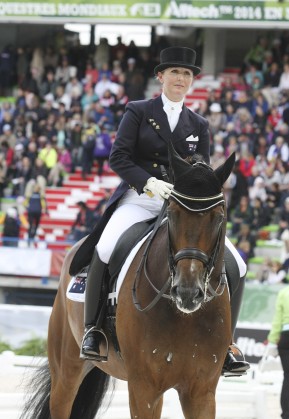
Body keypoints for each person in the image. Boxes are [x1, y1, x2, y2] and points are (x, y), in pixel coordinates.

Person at [80, 46, 250, 377]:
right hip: (141, 197)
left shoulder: (197, 123)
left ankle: (227, 343)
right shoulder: (139, 110)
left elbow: (201, 168)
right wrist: (149, 183)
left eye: (186, 74)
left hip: (182, 204)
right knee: (105, 247)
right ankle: (93, 329)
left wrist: (192, 188)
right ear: (161, 76)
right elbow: (119, 157)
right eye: (175, 72)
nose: (180, 78)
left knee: (238, 264)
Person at [266, 286, 289, 419]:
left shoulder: (284, 292)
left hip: (286, 337)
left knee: (287, 377)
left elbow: (277, 320)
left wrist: (272, 340)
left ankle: (286, 417)